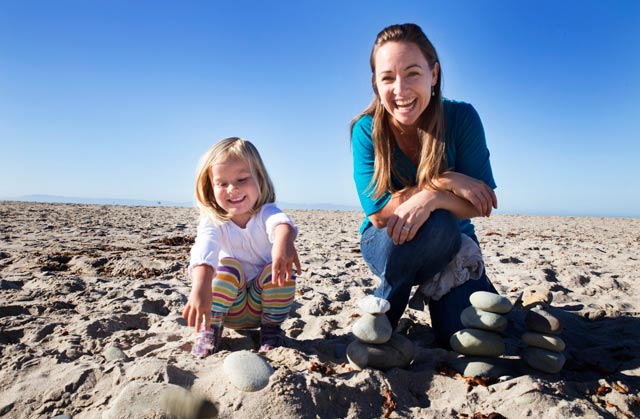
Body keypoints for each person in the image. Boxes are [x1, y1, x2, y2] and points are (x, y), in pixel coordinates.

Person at [351, 23, 499, 348]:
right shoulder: (366, 130)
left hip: (452, 248)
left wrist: (432, 198)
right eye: (387, 77)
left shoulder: (462, 118)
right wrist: (444, 182)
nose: (400, 89)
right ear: (376, 84)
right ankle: (385, 318)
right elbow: (378, 213)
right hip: (386, 242)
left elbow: (481, 203)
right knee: (435, 224)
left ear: (434, 74)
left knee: (459, 338)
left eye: (413, 73)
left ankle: (387, 316)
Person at [182, 137, 301, 356]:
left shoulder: (266, 211)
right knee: (227, 268)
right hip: (226, 309)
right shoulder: (214, 220)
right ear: (211, 186)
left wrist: (283, 242)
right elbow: (204, 249)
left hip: (263, 307)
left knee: (278, 269)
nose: (232, 189)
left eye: (242, 179)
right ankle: (210, 330)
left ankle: (271, 331)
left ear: (260, 179)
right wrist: (200, 286)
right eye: (222, 183)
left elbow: (281, 223)